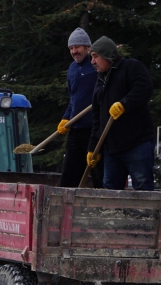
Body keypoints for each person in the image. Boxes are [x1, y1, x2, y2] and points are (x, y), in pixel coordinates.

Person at [86, 36, 156, 191]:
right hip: (112, 149)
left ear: (106, 55)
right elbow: (97, 119)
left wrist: (125, 104)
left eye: (95, 56)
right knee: (111, 190)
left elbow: (144, 87)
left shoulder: (131, 67)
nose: (92, 62)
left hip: (137, 143)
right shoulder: (100, 82)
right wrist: (93, 148)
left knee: (143, 187)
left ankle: (146, 216)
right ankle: (115, 216)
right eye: (91, 57)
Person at [56, 27, 102, 188]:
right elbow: (73, 99)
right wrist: (66, 117)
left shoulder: (96, 66)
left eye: (77, 47)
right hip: (76, 129)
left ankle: (103, 208)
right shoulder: (72, 69)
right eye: (71, 48)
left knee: (98, 172)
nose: (74, 51)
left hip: (94, 128)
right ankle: (65, 209)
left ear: (88, 47)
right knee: (70, 173)